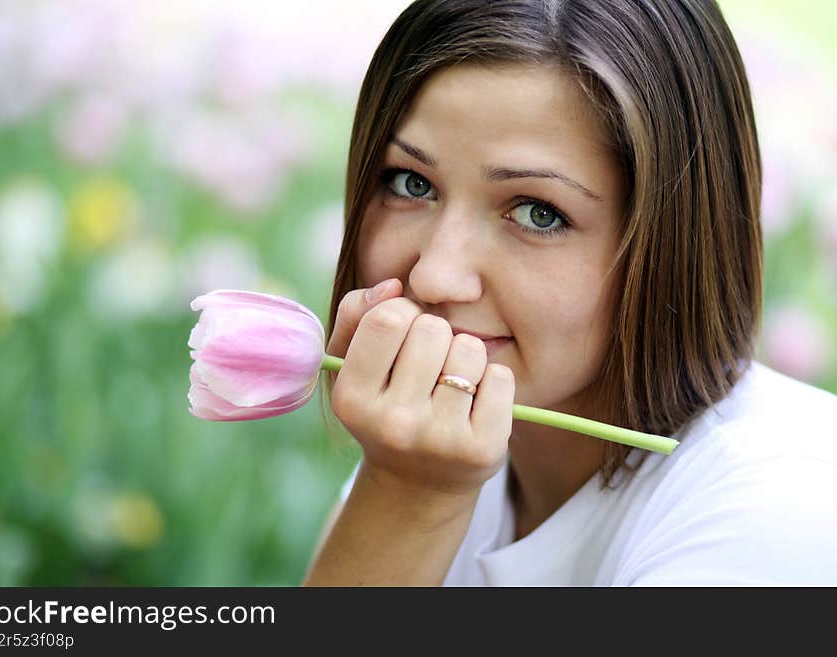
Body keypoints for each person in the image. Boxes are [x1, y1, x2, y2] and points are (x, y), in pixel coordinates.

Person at [302, 0, 837, 586]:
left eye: (537, 213)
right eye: (412, 183)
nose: (434, 276)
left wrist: (411, 498)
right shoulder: (437, 449)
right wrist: (404, 492)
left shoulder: (774, 512)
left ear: (674, 241)